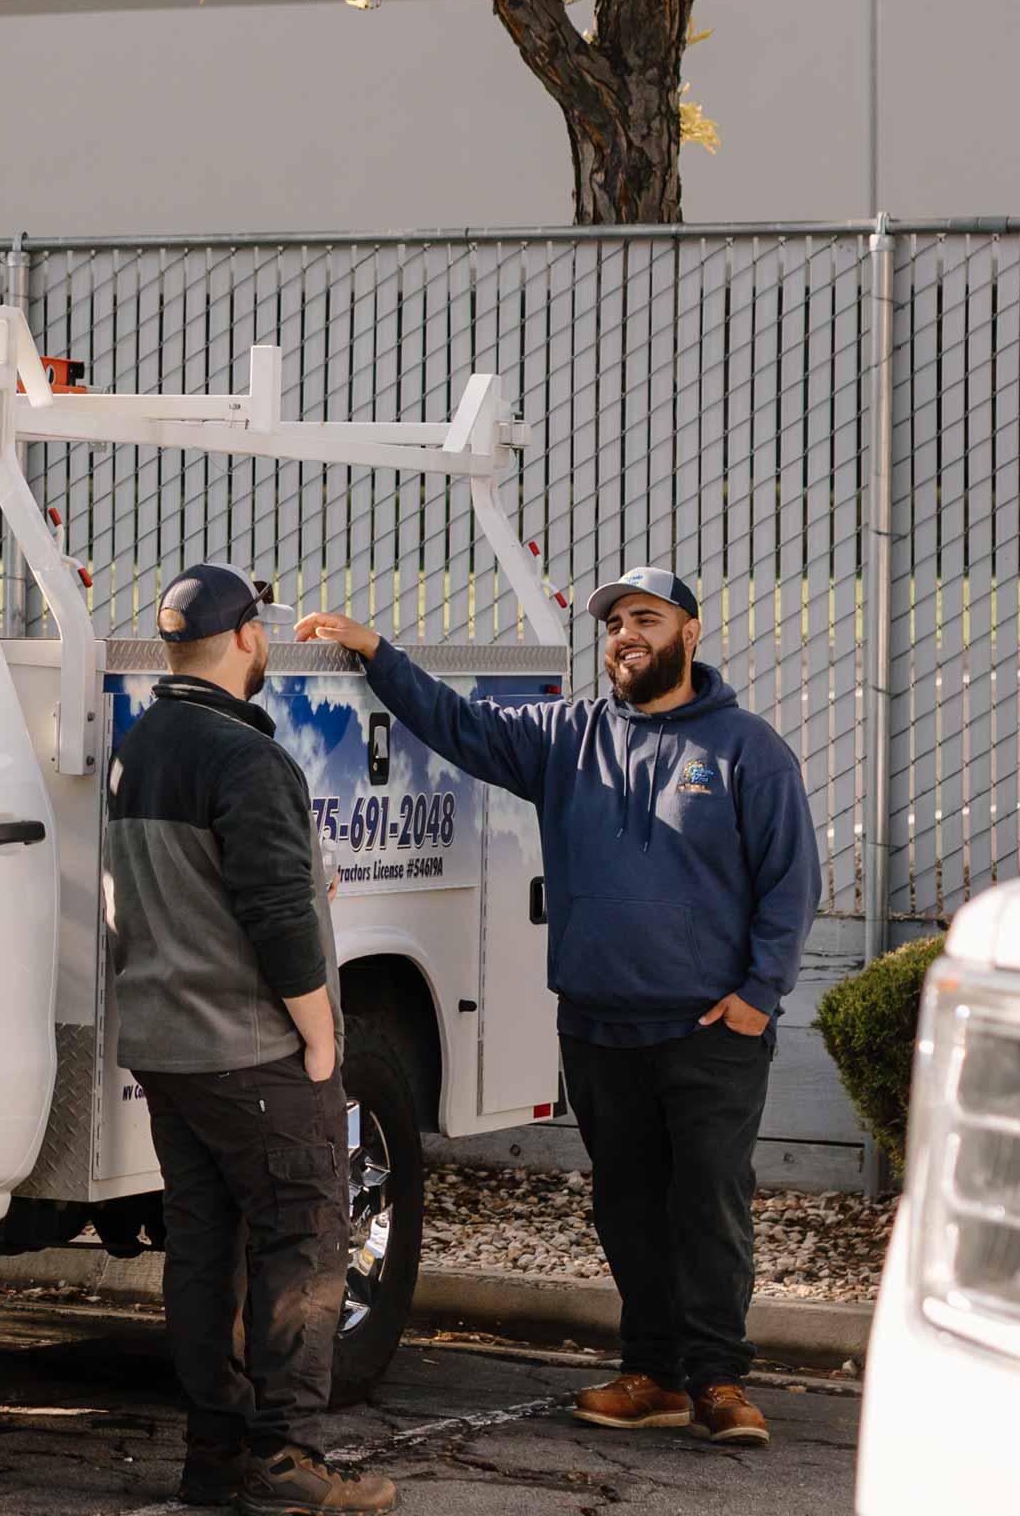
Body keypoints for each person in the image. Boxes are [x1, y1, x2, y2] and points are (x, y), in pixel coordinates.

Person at [294, 567, 816, 1448]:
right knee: (626, 1204)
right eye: (615, 623)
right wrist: (374, 652)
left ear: (691, 632)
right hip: (600, 1024)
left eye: (646, 619)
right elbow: (459, 725)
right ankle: (651, 1372)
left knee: (709, 1203)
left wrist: (758, 997)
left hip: (708, 1032)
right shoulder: (567, 737)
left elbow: (791, 879)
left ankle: (719, 1378)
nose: (626, 635)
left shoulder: (745, 750)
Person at [106, 564, 397, 1516]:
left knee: (202, 1245)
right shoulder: (249, 759)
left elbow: (183, 893)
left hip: (169, 1048)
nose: (268, 643)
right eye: (262, 630)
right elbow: (274, 914)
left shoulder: (138, 747)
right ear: (244, 639)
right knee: (305, 1240)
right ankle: (286, 1459)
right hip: (252, 1049)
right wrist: (321, 1043)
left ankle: (213, 1450)